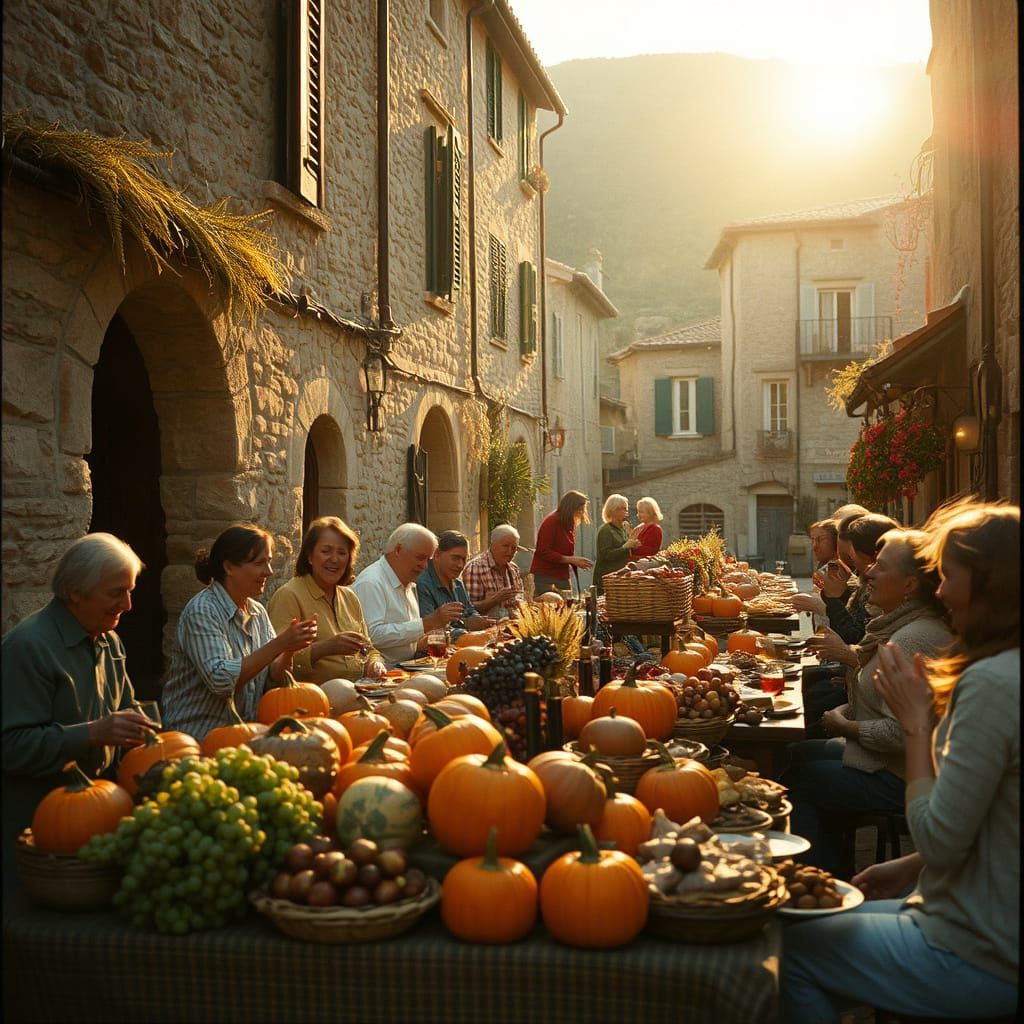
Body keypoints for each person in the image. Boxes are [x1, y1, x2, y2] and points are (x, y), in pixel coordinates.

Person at [781, 500, 1019, 1022]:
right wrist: (911, 866)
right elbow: (988, 818)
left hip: (982, 948)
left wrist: (915, 727)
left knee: (790, 955)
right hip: (973, 914)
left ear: (988, 587)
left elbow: (936, 833)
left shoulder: (993, 681)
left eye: (950, 577)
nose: (944, 592)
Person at [784, 528, 953, 875]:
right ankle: (832, 866)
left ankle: (818, 887)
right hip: (888, 760)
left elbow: (899, 731)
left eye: (880, 567)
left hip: (901, 774)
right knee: (792, 753)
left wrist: (845, 724)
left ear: (909, 586)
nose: (868, 573)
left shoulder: (912, 639)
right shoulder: (895, 626)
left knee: (800, 782)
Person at [2, 533, 155, 882]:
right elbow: (11, 748)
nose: (128, 605)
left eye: (130, 590)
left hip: (101, 823)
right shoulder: (28, 648)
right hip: (39, 840)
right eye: (116, 592)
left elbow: (127, 712)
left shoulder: (108, 639)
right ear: (75, 591)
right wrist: (91, 734)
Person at [162, 524, 318, 741]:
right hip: (198, 738)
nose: (269, 572)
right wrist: (280, 644)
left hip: (248, 734)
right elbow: (221, 680)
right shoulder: (202, 610)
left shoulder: (257, 611)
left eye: (269, 561)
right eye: (259, 563)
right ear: (228, 567)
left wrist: (290, 650)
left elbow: (271, 679)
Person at [267, 516, 386, 685]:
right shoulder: (289, 595)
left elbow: (368, 649)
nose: (335, 559)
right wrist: (325, 648)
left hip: (360, 691)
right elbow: (275, 662)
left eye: (342, 553)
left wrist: (375, 663)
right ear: (309, 556)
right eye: (326, 551)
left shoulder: (349, 597)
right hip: (310, 699)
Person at [351, 523, 463, 666]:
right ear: (398, 550)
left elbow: (401, 638)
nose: (424, 566)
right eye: (420, 558)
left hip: (407, 667)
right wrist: (427, 623)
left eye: (427, 560)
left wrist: (425, 641)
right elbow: (372, 636)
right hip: (382, 675)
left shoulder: (407, 581)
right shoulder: (371, 582)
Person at [416, 530, 496, 639]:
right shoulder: (422, 584)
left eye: (464, 559)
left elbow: (470, 610)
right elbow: (431, 629)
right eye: (455, 558)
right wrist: (467, 627)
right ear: (437, 555)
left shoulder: (458, 583)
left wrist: (481, 621)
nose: (460, 565)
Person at [529, 491, 594, 596]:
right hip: (546, 575)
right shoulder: (551, 522)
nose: (582, 513)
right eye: (580, 510)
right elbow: (543, 551)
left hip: (561, 575)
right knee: (551, 607)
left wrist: (577, 561)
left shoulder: (568, 523)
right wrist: (571, 559)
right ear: (571, 508)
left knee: (568, 604)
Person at [463, 524, 526, 619]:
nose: (510, 551)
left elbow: (519, 599)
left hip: (511, 627)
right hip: (485, 630)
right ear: (492, 544)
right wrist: (494, 600)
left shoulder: (513, 568)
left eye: (514, 548)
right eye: (505, 546)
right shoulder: (475, 568)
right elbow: (466, 610)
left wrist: (517, 603)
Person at [592, 494, 641, 595]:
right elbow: (605, 555)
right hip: (607, 580)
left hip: (620, 578)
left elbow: (624, 548)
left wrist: (632, 545)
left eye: (625, 508)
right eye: (622, 508)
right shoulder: (606, 530)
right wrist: (625, 547)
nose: (625, 511)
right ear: (612, 510)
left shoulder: (622, 528)